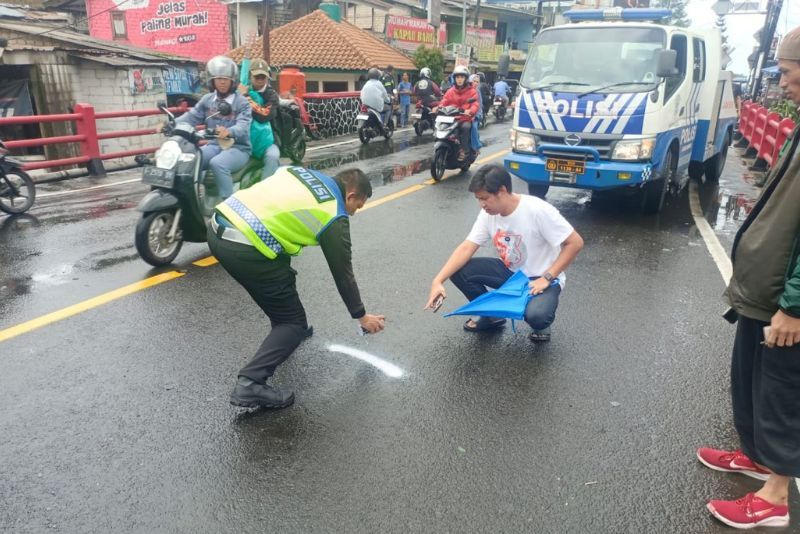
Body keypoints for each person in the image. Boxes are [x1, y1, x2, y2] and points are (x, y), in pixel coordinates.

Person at [697, 27, 800, 530]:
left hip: (787, 302)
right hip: (763, 293)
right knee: (751, 384)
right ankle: (756, 457)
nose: (781, 84)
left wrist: (795, 306)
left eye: (785, 71)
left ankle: (776, 498)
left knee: (781, 393)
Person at [208, 166, 386, 409]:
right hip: (244, 246)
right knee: (293, 323)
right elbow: (343, 274)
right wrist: (361, 316)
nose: (355, 212)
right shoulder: (333, 213)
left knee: (282, 279)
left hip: (219, 226)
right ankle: (250, 383)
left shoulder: (300, 172)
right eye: (358, 206)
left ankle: (283, 331)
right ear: (351, 196)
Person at [424, 165, 583, 342]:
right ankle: (490, 316)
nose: (481, 204)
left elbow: (575, 243)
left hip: (543, 278)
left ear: (502, 190)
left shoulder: (537, 210)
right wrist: (438, 281)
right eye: (478, 199)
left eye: (485, 198)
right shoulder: (488, 214)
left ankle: (542, 324)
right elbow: (467, 247)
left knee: (537, 316)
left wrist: (547, 277)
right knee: (459, 270)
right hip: (511, 274)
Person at [176, 55, 251, 199]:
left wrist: (230, 131)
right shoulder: (208, 100)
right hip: (214, 145)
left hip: (238, 148)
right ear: (212, 81)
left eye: (226, 79)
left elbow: (243, 125)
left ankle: (228, 208)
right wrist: (172, 124)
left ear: (232, 80)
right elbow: (191, 116)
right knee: (190, 159)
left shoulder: (241, 102)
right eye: (218, 79)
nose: (222, 82)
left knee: (218, 164)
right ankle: (189, 200)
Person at [239, 59, 280, 179]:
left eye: (263, 77)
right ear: (250, 76)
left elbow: (264, 116)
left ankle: (266, 189)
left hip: (267, 141)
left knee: (272, 157)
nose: (260, 80)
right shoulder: (242, 91)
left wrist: (246, 97)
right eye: (257, 77)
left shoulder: (271, 95)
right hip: (243, 140)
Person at [435, 66, 479, 161]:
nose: (459, 79)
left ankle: (464, 150)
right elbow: (444, 101)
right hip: (451, 117)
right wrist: (438, 107)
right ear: (454, 79)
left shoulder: (472, 91)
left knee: (465, 127)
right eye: (457, 77)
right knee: (440, 126)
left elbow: (475, 104)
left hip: (464, 118)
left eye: (462, 77)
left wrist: (470, 111)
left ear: (466, 79)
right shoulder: (450, 91)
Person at [469, 74, 483, 153]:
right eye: (474, 81)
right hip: (464, 114)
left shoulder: (477, 91)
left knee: (473, 127)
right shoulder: (466, 90)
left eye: (477, 82)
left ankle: (476, 146)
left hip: (475, 114)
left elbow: (479, 105)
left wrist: (476, 115)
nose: (476, 83)